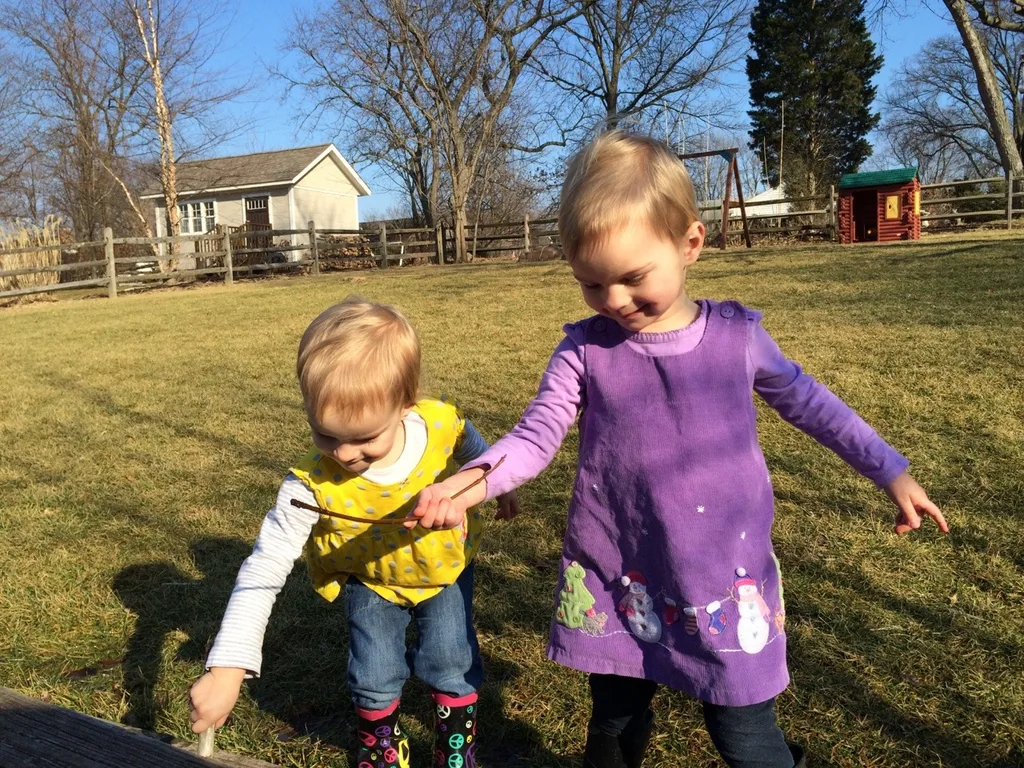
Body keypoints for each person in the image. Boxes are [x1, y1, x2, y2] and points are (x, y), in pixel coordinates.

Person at [411, 131, 948, 768]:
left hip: (723, 575)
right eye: (590, 283)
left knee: (742, 730)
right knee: (614, 719)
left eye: (632, 278)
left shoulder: (736, 339)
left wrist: (890, 469)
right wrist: (464, 486)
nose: (612, 301)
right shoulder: (583, 350)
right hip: (620, 572)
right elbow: (535, 437)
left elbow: (812, 404)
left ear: (690, 243)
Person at [189, 297, 518, 768]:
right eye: (325, 435)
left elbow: (468, 440)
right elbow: (265, 565)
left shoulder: (437, 421)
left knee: (452, 659)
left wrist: (493, 482)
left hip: (443, 569)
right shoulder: (310, 487)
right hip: (371, 578)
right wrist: (227, 668)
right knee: (373, 671)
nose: (342, 455)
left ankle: (456, 749)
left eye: (364, 439)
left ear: (405, 406)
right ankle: (383, 747)